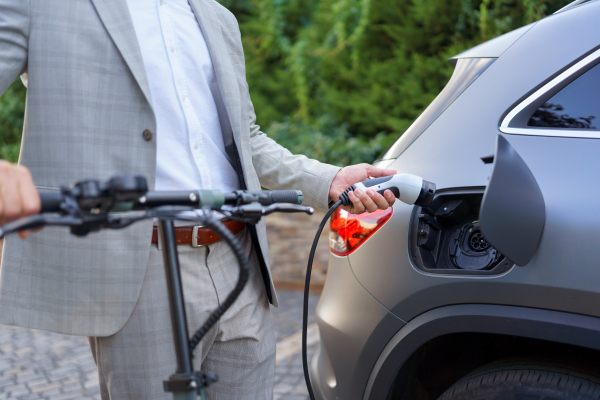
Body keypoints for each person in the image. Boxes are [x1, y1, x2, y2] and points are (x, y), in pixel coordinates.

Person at [0, 0, 396, 399]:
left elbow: (247, 139)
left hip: (237, 258)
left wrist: (329, 178)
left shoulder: (217, 16)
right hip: (142, 265)